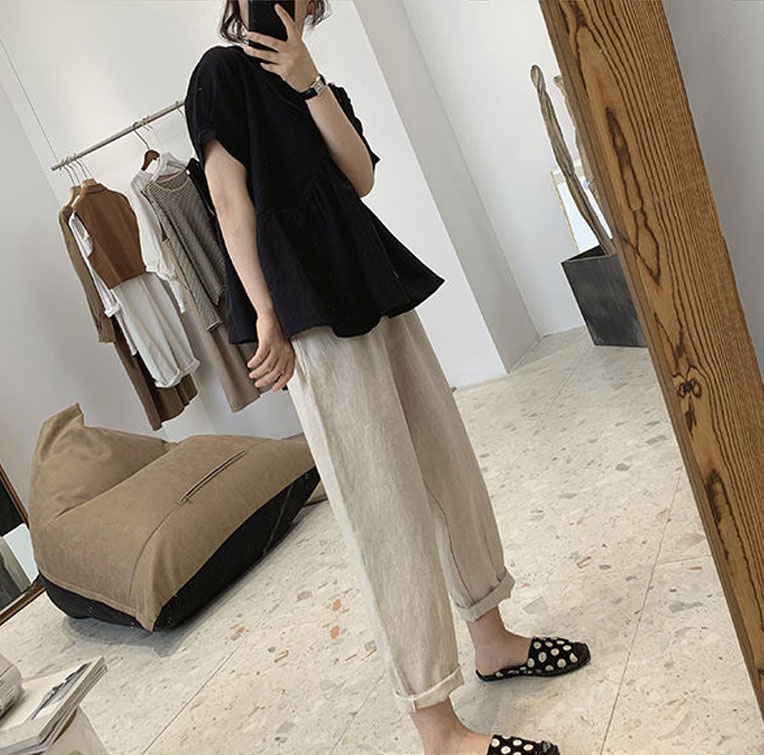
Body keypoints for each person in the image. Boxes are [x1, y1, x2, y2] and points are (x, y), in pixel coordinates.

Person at [184, 3, 591, 753]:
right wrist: (266, 311)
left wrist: (310, 81)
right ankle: (437, 726)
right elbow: (228, 199)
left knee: (447, 468)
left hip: (372, 286)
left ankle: (493, 640)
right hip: (309, 318)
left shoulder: (314, 80)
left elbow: (362, 177)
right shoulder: (220, 75)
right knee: (385, 510)